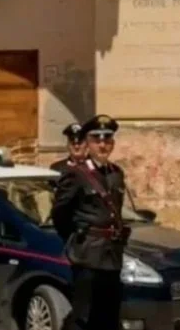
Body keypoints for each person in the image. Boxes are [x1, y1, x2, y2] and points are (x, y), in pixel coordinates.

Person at [51, 114, 129, 330]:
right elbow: (60, 214)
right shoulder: (76, 174)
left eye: (107, 139)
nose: (102, 144)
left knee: (109, 316)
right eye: (97, 139)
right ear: (87, 143)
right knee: (82, 316)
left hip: (112, 256)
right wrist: (78, 238)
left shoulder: (116, 174)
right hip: (87, 255)